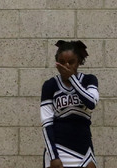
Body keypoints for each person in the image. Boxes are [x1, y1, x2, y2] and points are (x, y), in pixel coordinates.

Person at [41, 40, 99, 168]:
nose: (66, 66)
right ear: (57, 63)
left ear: (78, 62)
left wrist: (72, 78)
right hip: (58, 148)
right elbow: (47, 124)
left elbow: (91, 103)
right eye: (61, 62)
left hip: (84, 148)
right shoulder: (50, 85)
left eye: (71, 62)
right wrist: (53, 156)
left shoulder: (89, 80)